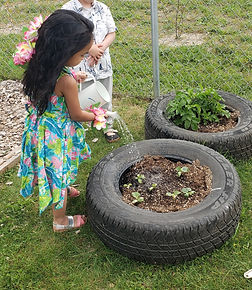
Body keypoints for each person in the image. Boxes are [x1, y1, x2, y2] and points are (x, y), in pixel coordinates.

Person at [18, 9, 98, 232]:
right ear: (64, 52)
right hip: (57, 135)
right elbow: (76, 115)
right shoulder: (66, 82)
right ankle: (60, 220)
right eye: (81, 54)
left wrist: (73, 76)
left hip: (40, 129)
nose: (83, 58)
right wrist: (96, 116)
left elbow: (55, 86)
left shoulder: (37, 62)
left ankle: (64, 188)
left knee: (56, 168)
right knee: (58, 176)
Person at [62, 0, 120, 143]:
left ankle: (107, 126)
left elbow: (111, 33)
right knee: (82, 95)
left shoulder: (103, 7)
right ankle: (80, 126)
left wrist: (99, 50)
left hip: (102, 62)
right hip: (80, 63)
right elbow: (68, 36)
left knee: (105, 94)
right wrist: (90, 48)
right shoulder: (69, 9)